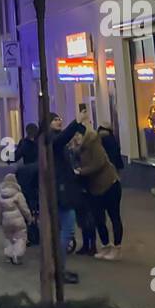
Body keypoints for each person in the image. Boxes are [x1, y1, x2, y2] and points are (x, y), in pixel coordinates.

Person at [47, 112, 86, 284]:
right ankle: (59, 270)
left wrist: (80, 125)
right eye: (55, 120)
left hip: (63, 190)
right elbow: (61, 139)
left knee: (63, 231)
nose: (59, 121)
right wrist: (76, 121)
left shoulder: (53, 140)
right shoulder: (52, 140)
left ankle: (58, 268)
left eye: (59, 119)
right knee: (67, 231)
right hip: (62, 192)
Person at [77, 126, 124, 259]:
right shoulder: (80, 149)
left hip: (110, 184)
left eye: (78, 136)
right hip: (95, 188)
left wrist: (81, 171)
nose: (76, 139)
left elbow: (99, 163)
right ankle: (105, 246)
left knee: (114, 216)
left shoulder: (93, 143)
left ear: (83, 135)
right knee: (98, 218)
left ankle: (117, 247)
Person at [0, 173, 32, 264]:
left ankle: (9, 254)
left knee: (8, 238)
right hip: (18, 220)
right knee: (20, 237)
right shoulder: (18, 195)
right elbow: (24, 208)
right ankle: (17, 254)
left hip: (6, 221)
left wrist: (0, 221)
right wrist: (29, 218)